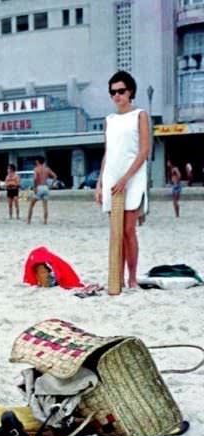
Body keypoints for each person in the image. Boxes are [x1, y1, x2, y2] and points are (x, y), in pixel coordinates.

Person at [96, 70, 150, 289]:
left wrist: (126, 178)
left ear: (130, 92)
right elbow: (108, 153)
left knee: (128, 229)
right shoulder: (109, 120)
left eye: (120, 91)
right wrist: (100, 183)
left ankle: (132, 277)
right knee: (115, 230)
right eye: (112, 92)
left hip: (133, 176)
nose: (116, 96)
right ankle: (116, 277)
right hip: (112, 176)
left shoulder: (140, 115)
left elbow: (145, 150)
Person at [27, 157, 57, 225]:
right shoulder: (47, 169)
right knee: (45, 206)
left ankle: (29, 221)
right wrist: (51, 185)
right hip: (46, 187)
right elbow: (55, 176)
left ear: (38, 161)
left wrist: (34, 187)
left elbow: (35, 179)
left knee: (31, 205)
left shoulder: (36, 169)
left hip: (39, 187)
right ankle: (45, 221)